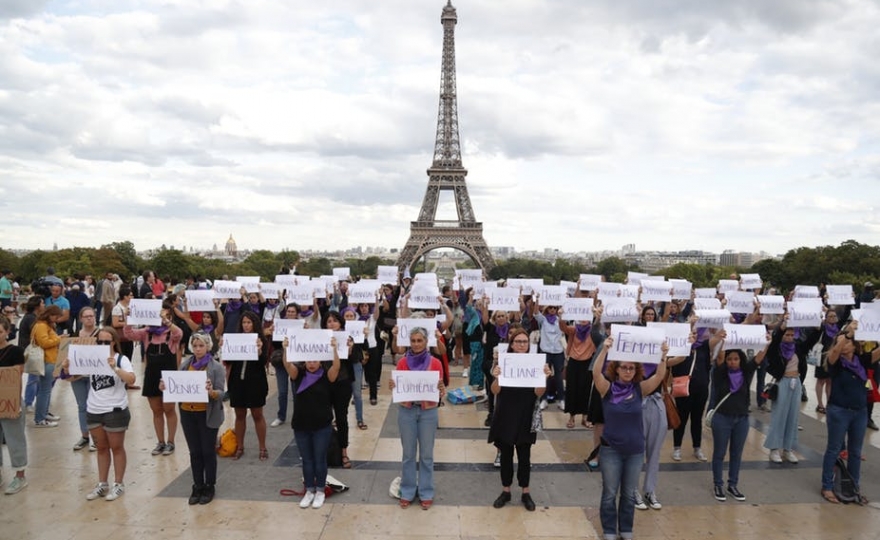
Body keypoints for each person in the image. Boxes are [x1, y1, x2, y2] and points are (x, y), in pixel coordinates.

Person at [593, 336, 668, 540]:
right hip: (610, 451)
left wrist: (663, 355)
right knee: (609, 494)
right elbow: (595, 373)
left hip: (635, 451)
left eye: (631, 368)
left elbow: (659, 376)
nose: (627, 371)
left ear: (636, 371)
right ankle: (609, 530)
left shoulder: (639, 389)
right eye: (624, 367)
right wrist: (604, 350)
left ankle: (626, 529)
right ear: (616, 368)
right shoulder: (606, 389)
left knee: (627, 494)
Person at [69, 327, 137, 502]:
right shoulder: (91, 359)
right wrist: (67, 367)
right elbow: (72, 377)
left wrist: (115, 368)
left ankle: (118, 483)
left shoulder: (121, 359)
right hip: (94, 409)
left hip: (115, 410)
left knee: (117, 447)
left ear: (114, 342)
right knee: (101, 448)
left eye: (106, 342)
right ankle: (102, 483)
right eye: (99, 342)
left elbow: (131, 379)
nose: (103, 345)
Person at [488, 327, 551, 511]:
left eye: (524, 342)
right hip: (506, 413)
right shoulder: (503, 362)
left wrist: (544, 378)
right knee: (506, 454)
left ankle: (525, 491)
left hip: (525, 413)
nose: (522, 345)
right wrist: (498, 376)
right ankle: (505, 490)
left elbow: (538, 393)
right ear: (512, 344)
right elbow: (494, 391)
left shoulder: (536, 363)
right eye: (518, 342)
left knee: (524, 455)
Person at [162, 331, 226, 505]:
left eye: (201, 346)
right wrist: (166, 386)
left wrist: (212, 392)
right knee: (195, 451)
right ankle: (197, 484)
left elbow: (222, 393)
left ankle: (209, 484)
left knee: (207, 451)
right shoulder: (185, 365)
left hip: (206, 414)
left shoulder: (216, 368)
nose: (198, 349)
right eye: (195, 346)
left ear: (208, 347)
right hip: (187, 413)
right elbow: (177, 385)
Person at [820, 323, 878, 504]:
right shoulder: (836, 363)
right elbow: (834, 353)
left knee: (855, 451)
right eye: (841, 342)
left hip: (859, 412)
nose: (844, 344)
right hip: (839, 411)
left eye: (848, 342)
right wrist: (847, 334)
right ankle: (827, 486)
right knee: (834, 449)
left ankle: (853, 488)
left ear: (855, 345)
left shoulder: (861, 360)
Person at [281, 335, 341, 510]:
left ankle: (320, 490)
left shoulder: (326, 376)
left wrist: (335, 349)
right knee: (306, 459)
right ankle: (309, 490)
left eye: (315, 360)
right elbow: (287, 365)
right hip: (301, 425)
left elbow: (336, 366)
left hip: (322, 425)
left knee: (319, 458)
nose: (312, 363)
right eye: (309, 360)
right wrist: (286, 349)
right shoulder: (298, 374)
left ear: (321, 361)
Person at [389, 326, 445, 510]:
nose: (416, 344)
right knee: (408, 454)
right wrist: (393, 385)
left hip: (428, 412)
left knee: (427, 454)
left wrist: (441, 390)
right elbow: (397, 387)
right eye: (413, 341)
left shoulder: (435, 363)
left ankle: (426, 491)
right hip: (407, 411)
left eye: (419, 340)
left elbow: (440, 389)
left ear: (426, 341)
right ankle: (407, 491)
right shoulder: (402, 363)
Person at [710, 341, 769, 502]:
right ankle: (718, 484)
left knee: (736, 453)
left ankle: (733, 484)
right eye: (730, 359)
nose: (732, 362)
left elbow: (759, 357)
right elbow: (720, 357)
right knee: (719, 453)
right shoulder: (720, 373)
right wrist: (723, 341)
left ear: (740, 360)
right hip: (722, 418)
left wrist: (767, 342)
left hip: (741, 419)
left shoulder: (746, 372)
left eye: (736, 359)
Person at [124, 307, 183, 456]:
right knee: (156, 410)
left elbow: (179, 333)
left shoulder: (171, 333)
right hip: (152, 375)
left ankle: (171, 442)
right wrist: (128, 318)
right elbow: (129, 334)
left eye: (166, 314)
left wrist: (167, 322)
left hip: (169, 376)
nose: (161, 316)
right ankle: (160, 442)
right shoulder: (147, 332)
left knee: (169, 409)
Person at [764, 315, 820, 464]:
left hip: (796, 383)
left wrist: (816, 327)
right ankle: (774, 449)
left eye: (791, 335)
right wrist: (782, 326)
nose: (789, 337)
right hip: (782, 382)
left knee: (793, 417)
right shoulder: (776, 349)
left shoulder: (798, 348)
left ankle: (788, 448)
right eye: (787, 335)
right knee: (779, 416)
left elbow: (812, 340)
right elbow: (775, 340)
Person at [225, 311, 269, 461]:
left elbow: (264, 362)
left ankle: (262, 447)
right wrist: (224, 348)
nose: (246, 325)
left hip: (255, 382)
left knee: (257, 414)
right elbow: (228, 361)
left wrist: (259, 350)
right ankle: (240, 446)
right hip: (237, 381)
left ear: (254, 324)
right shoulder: (235, 339)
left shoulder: (260, 339)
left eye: (249, 322)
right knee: (240, 415)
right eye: (244, 322)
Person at [63, 307, 101, 451]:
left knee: (95, 406)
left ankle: (97, 437)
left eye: (91, 316)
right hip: (78, 376)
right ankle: (85, 436)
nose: (89, 318)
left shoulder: (101, 334)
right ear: (80, 319)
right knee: (82, 406)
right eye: (86, 316)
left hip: (94, 375)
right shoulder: (75, 335)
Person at [0, 314, 28, 494]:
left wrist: (16, 403)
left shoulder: (15, 351)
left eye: (0, 331)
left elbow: (15, 376)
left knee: (14, 438)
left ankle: (20, 475)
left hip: (10, 401)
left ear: (7, 332)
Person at [32, 304, 63, 427]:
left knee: (47, 390)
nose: (57, 319)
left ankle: (44, 414)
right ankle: (40, 418)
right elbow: (44, 342)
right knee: (44, 391)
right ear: (50, 315)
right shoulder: (41, 326)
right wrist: (59, 339)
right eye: (56, 316)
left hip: (51, 360)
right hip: (46, 360)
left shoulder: (44, 326)